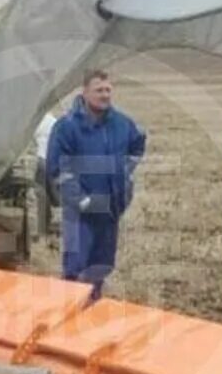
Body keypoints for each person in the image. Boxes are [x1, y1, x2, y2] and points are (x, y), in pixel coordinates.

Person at [45, 68, 146, 300]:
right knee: (76, 268)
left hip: (110, 209)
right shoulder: (66, 127)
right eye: (99, 90)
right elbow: (58, 169)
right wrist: (80, 200)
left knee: (101, 266)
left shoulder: (122, 123)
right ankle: (67, 320)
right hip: (80, 214)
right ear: (85, 92)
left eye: (108, 90)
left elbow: (138, 145)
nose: (105, 95)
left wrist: (125, 174)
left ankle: (92, 314)